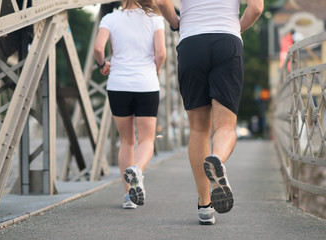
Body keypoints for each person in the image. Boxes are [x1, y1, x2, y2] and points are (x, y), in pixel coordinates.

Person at [156, 0, 264, 224]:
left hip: (191, 42)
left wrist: (177, 25)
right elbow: (256, 8)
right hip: (227, 40)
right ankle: (218, 159)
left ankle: (205, 206)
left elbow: (161, 2)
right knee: (225, 126)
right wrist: (235, 29)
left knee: (198, 130)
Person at [94, 0, 166, 209]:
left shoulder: (110, 18)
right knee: (146, 140)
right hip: (146, 84)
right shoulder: (155, 18)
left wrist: (102, 65)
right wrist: (157, 70)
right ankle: (136, 169)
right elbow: (161, 53)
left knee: (127, 141)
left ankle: (128, 197)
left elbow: (99, 48)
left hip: (118, 85)